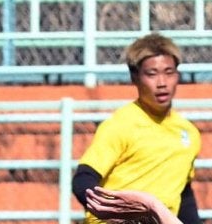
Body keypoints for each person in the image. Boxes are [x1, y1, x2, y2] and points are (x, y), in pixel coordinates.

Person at [73, 33, 202, 224]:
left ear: (178, 75)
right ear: (134, 77)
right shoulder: (120, 124)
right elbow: (83, 179)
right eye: (151, 74)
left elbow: (183, 193)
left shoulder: (189, 132)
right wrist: (112, 213)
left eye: (169, 72)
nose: (162, 83)